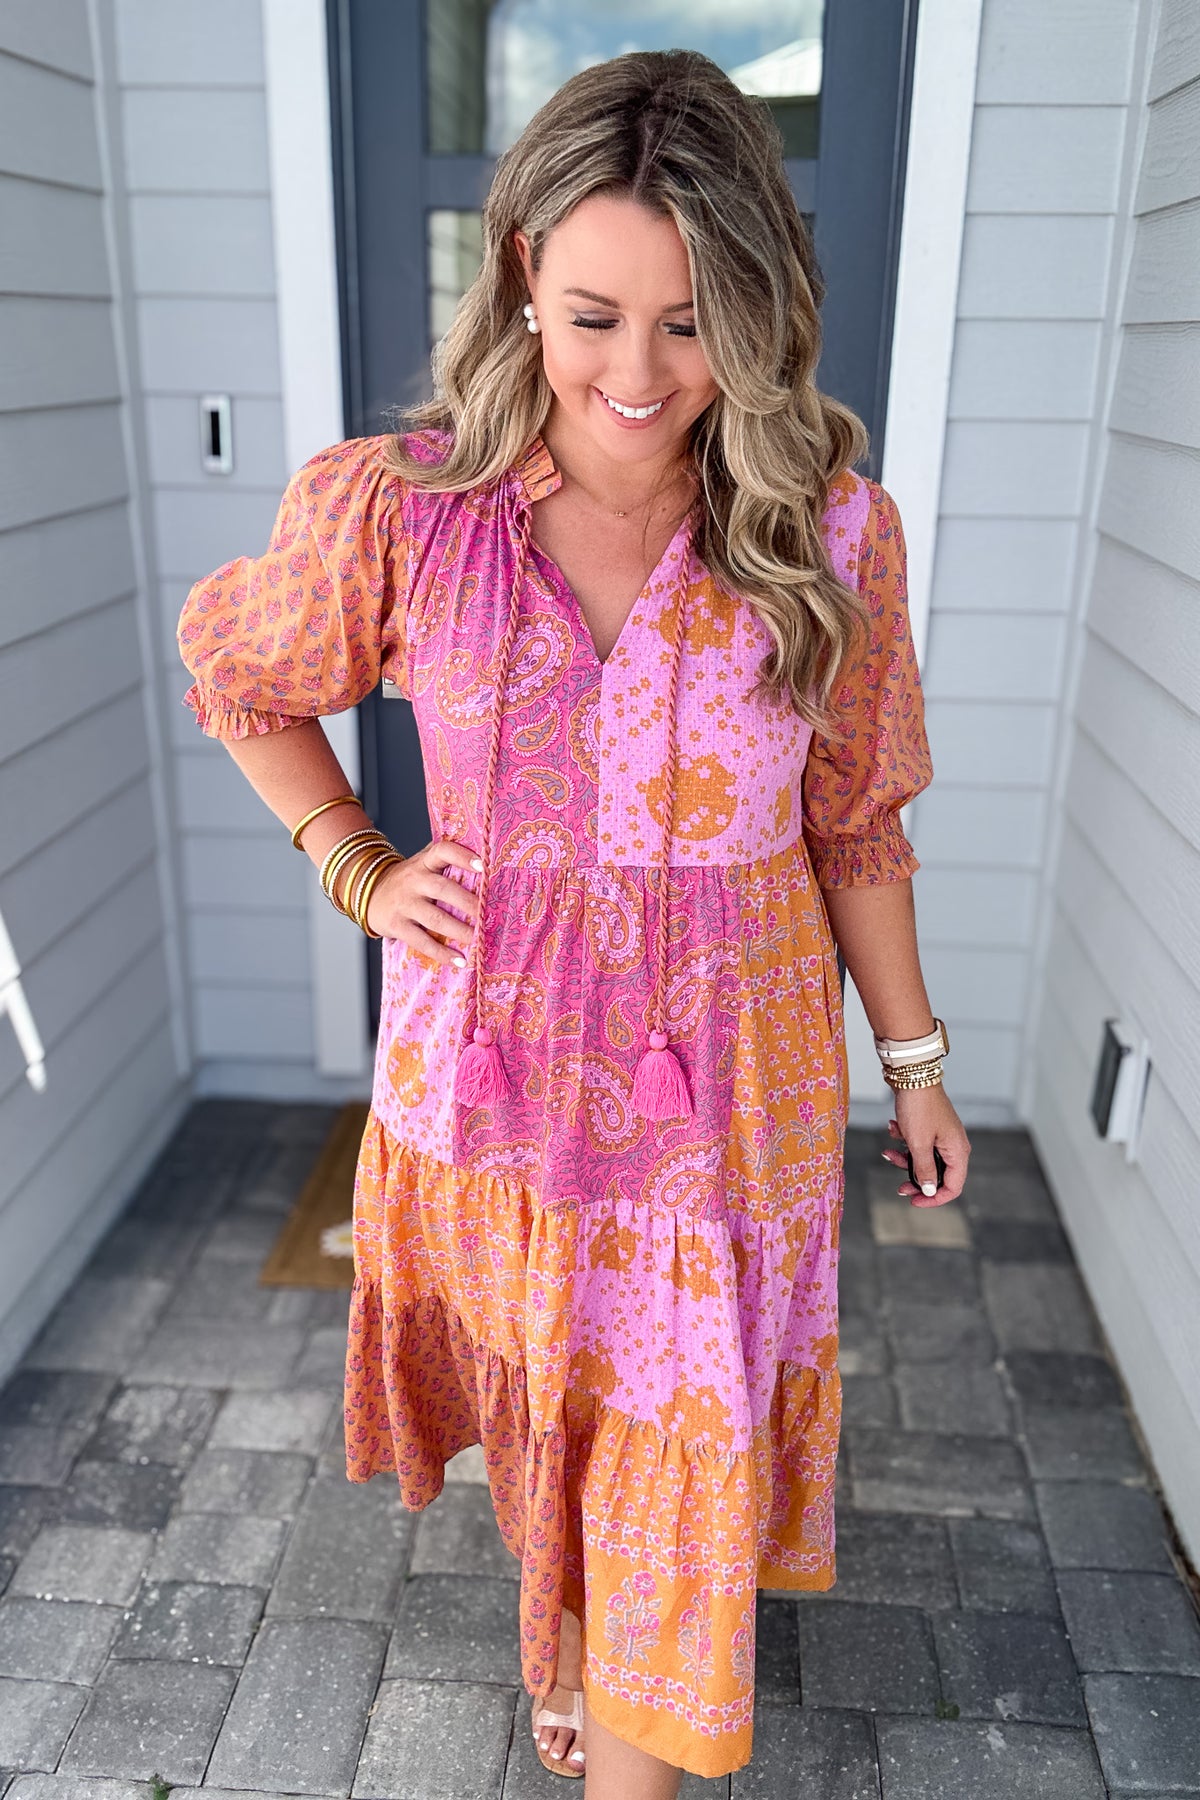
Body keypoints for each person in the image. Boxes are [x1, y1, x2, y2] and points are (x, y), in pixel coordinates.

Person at [176, 46, 971, 1799]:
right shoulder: (405, 505)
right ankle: (577, 1639)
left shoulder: (831, 528)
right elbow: (243, 675)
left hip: (728, 1095)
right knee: (559, 1408)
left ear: (757, 307)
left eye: (692, 325)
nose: (637, 375)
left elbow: (855, 819)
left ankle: (628, 1712)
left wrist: (915, 1062)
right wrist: (358, 859)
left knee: (675, 1441)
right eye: (596, 314)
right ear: (523, 267)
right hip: (498, 1081)